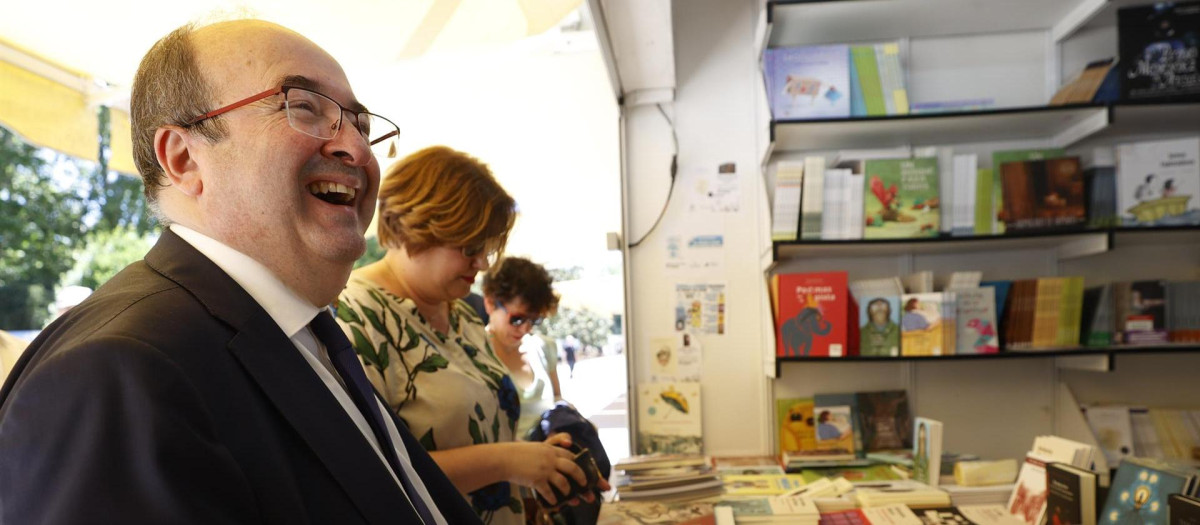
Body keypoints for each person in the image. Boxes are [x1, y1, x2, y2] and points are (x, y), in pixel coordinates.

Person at [0, 20, 479, 524]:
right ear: (183, 159)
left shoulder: (299, 331)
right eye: (303, 108)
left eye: (359, 124)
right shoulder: (114, 373)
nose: (357, 150)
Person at [336, 146, 604, 525]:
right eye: (470, 247)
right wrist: (509, 461)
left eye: (488, 247)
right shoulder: (355, 317)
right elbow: (370, 471)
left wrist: (541, 463)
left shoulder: (461, 312)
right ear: (417, 227)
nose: (482, 263)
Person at [480, 256, 564, 439]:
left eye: (534, 320)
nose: (525, 328)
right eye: (517, 319)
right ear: (490, 303)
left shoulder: (543, 347)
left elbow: (557, 401)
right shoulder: (474, 352)